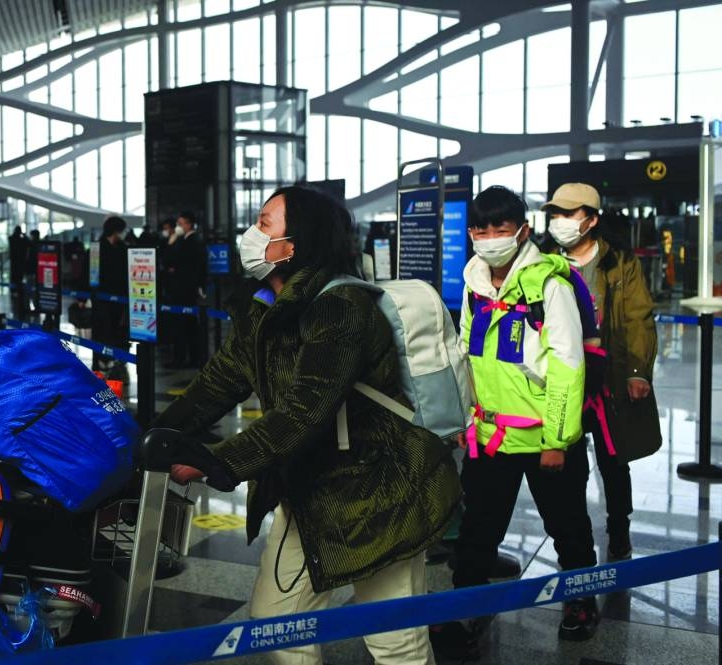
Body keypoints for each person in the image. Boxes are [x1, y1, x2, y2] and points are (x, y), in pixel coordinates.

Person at [153, 185, 458, 665]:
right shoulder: (262, 308)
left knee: (395, 640)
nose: (251, 233)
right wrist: (155, 438)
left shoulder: (340, 308)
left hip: (378, 494)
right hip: (310, 492)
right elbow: (218, 383)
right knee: (277, 625)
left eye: (265, 223)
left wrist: (216, 462)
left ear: (294, 244)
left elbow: (304, 412)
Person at [437, 186, 598, 656]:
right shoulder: (474, 284)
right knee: (478, 533)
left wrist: (557, 440)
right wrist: (468, 421)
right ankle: (466, 606)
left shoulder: (551, 285)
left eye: (500, 229)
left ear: (522, 231)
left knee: (567, 526)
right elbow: (469, 354)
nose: (489, 238)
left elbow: (568, 367)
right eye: (480, 229)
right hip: (491, 436)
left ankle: (581, 602)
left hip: (546, 436)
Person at [542, 182, 658, 562]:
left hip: (607, 379)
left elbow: (638, 316)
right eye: (555, 214)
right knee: (570, 464)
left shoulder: (619, 262)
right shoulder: (544, 262)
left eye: (568, 214)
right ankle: (576, 537)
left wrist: (638, 371)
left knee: (613, 460)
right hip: (566, 380)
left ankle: (618, 528)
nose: (559, 221)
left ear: (591, 220)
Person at [164, 211, 207, 368]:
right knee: (187, 325)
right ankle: (189, 358)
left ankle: (184, 358)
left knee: (183, 325)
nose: (178, 227)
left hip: (184, 289)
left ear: (188, 224)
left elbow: (170, 260)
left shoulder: (191, 241)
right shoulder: (190, 240)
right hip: (186, 288)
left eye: (180, 224)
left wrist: (171, 242)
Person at [94, 216, 129, 374]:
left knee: (117, 328)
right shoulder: (97, 248)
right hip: (102, 296)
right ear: (115, 231)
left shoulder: (123, 247)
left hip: (120, 296)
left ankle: (116, 358)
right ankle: (101, 359)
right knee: (103, 328)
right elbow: (91, 273)